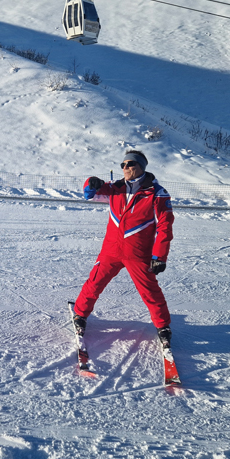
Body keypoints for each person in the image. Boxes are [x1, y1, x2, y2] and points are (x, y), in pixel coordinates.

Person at [72, 149, 175, 358]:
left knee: (150, 291)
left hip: (138, 253)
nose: (125, 168)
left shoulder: (156, 193)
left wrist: (159, 256)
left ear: (140, 167)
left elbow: (165, 225)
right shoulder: (115, 188)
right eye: (123, 165)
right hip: (111, 250)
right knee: (94, 282)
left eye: (130, 164)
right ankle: (80, 315)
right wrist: (90, 182)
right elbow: (89, 194)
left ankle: (163, 327)